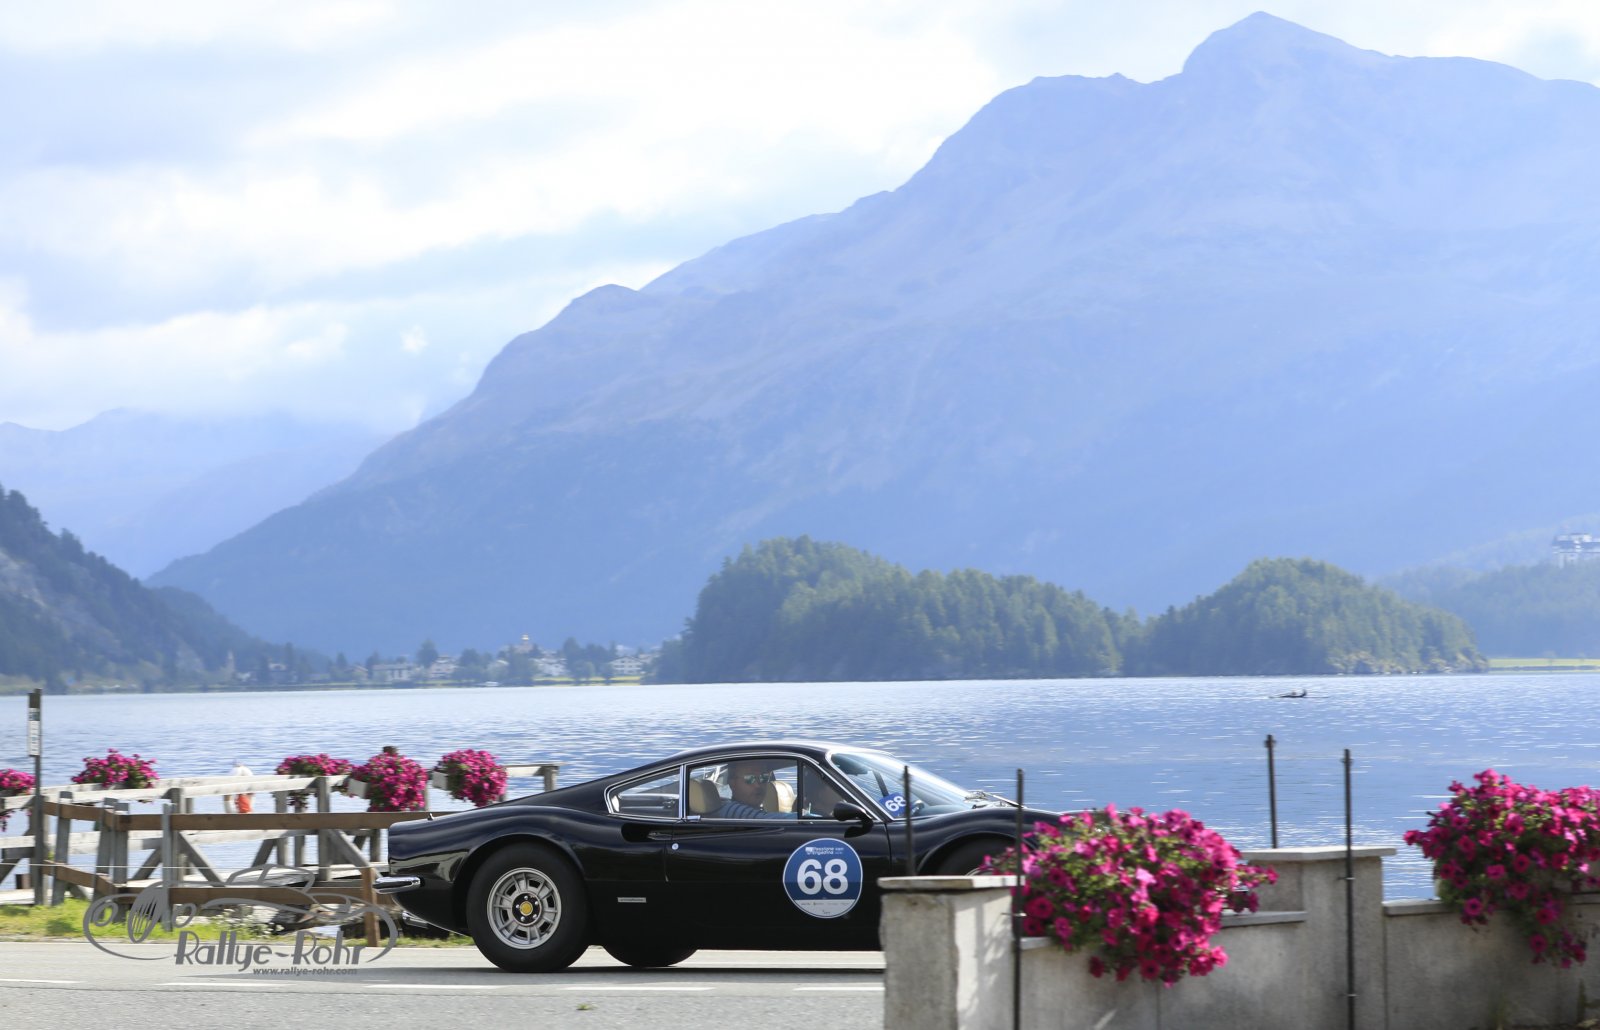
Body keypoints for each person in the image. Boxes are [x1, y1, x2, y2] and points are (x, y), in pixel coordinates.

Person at [711, 760, 793, 819]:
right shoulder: (732, 810)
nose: (757, 785)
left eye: (763, 777)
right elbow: (763, 819)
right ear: (732, 783)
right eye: (750, 778)